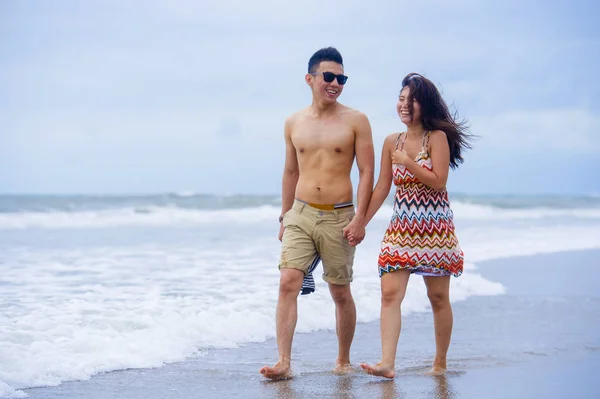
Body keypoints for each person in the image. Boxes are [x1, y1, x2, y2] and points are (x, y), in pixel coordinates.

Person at [259, 47, 375, 380]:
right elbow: (290, 172)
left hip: (341, 216)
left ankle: (342, 359)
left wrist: (360, 219)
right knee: (287, 282)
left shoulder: (356, 120)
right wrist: (285, 216)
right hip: (301, 213)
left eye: (341, 78)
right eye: (329, 76)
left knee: (340, 291)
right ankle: (283, 362)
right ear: (310, 79)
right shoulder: (294, 122)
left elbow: (367, 172)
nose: (336, 83)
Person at [356, 72, 471, 378]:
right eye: (401, 99)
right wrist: (361, 222)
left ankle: (440, 362)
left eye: (412, 100)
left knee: (437, 298)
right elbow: (382, 187)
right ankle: (387, 362)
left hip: (435, 229)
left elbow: (439, 181)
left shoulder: (437, 138)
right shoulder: (392, 141)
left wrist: (408, 163)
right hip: (401, 228)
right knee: (390, 295)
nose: (404, 105)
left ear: (426, 104)